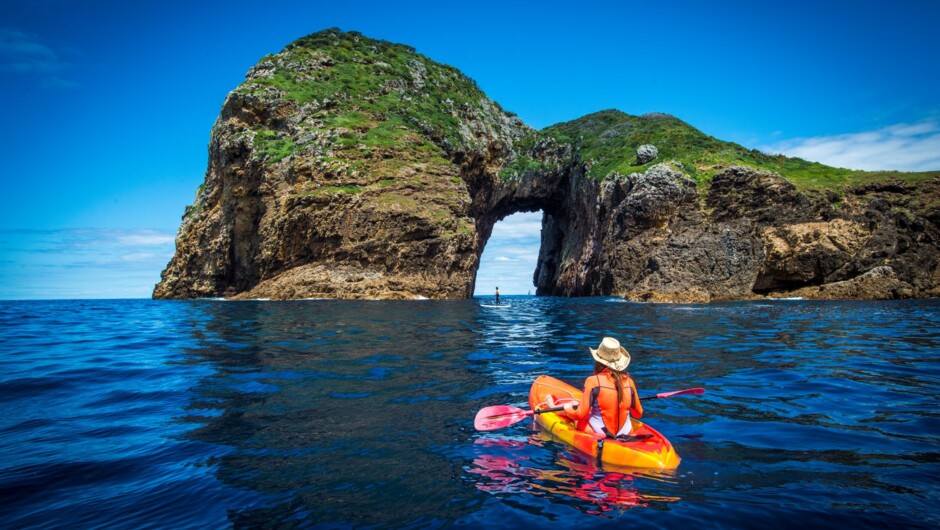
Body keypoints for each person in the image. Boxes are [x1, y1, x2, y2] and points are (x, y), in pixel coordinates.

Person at [561, 337, 643, 439]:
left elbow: (580, 415)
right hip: (626, 431)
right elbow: (638, 414)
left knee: (575, 415)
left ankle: (553, 405)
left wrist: (567, 409)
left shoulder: (593, 381)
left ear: (599, 362)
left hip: (600, 432)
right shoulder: (629, 382)